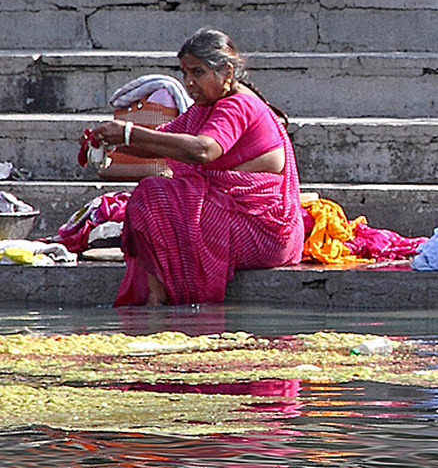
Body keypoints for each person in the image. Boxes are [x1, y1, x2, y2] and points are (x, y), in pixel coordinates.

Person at [88, 28, 305, 306]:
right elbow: (164, 142)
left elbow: (203, 150)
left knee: (153, 194)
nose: (189, 83)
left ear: (227, 72)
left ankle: (157, 302)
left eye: (198, 73)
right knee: (155, 194)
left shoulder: (238, 105)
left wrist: (129, 133)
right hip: (240, 220)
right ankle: (158, 298)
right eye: (185, 74)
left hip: (262, 233)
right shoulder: (206, 106)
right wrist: (108, 140)